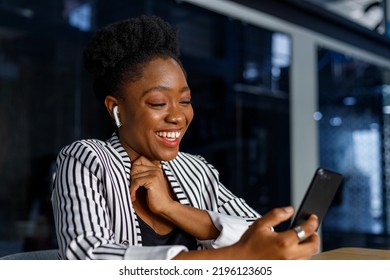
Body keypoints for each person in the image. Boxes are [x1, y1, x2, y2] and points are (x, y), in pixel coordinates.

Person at [51, 15, 319, 260]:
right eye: (158, 103)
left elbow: (261, 235)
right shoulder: (88, 159)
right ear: (116, 108)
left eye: (185, 101)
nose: (178, 117)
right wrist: (236, 256)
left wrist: (171, 208)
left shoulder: (195, 169)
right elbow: (86, 258)